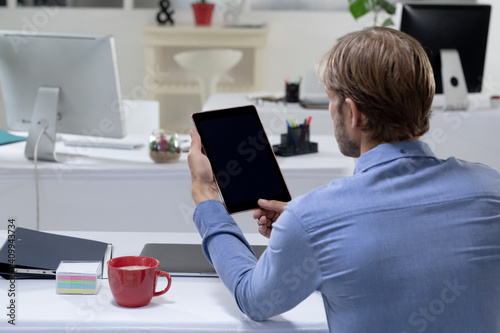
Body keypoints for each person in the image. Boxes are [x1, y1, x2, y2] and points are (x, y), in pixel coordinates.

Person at [187, 27, 500, 333]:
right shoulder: (491, 190)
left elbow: (252, 298)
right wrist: (307, 233)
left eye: (330, 99)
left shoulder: (312, 218)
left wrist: (208, 199)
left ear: (353, 114)